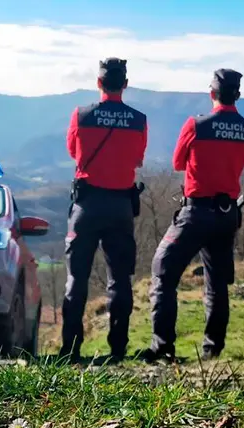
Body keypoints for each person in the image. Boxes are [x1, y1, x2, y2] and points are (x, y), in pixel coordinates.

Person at [143, 68, 244, 363]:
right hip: (228, 213)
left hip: (196, 212)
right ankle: (212, 349)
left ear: (212, 94)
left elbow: (179, 162)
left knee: (162, 270)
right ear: (238, 95)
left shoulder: (196, 125)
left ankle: (163, 346)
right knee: (216, 284)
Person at [59, 57, 148, 364]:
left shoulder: (81, 115)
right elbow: (137, 159)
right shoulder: (138, 119)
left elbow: (74, 152)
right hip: (121, 205)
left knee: (77, 278)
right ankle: (118, 349)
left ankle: (70, 350)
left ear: (99, 83)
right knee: (120, 279)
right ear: (125, 84)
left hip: (86, 204)